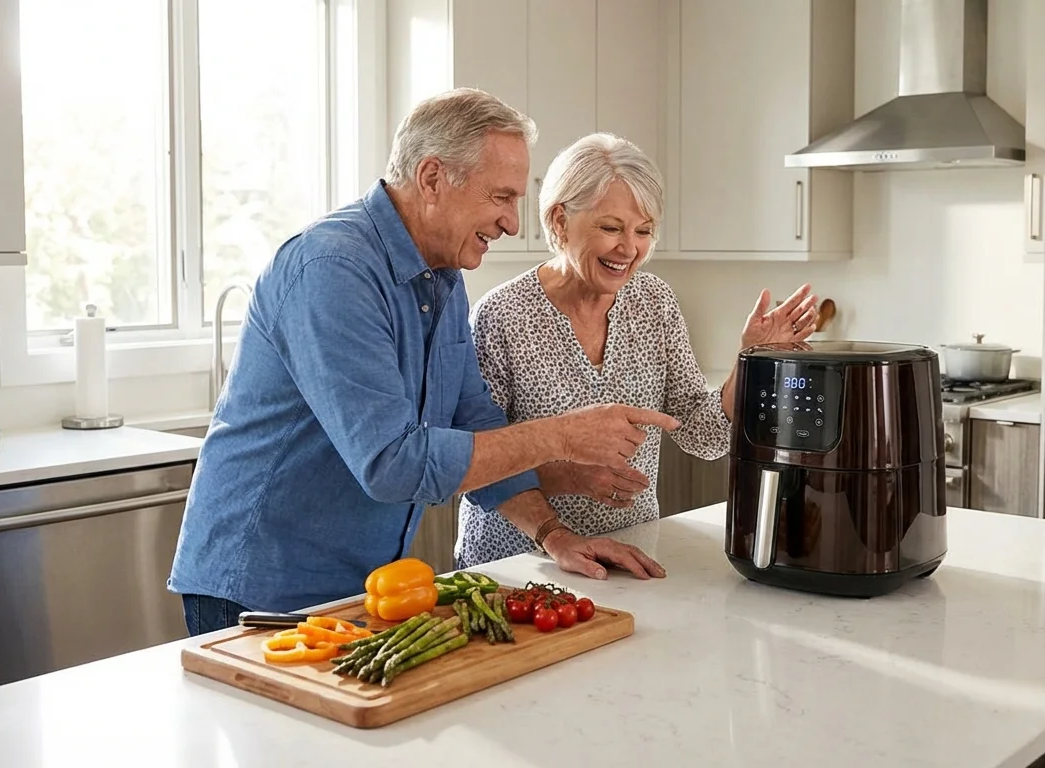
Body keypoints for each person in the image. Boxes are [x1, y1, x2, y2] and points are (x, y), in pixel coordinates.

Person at [167, 90, 678, 636]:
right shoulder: (333, 269)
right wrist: (561, 436)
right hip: (261, 585)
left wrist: (555, 535)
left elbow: (471, 419)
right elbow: (393, 462)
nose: (510, 222)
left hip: (362, 585)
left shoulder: (443, 276)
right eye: (501, 197)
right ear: (433, 178)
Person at [455, 132, 817, 568]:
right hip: (517, 565)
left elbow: (703, 436)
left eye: (644, 230)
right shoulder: (502, 316)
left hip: (631, 552)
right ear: (558, 221)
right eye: (611, 228)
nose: (630, 248)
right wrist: (567, 476)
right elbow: (475, 465)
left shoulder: (656, 303)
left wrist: (750, 361)